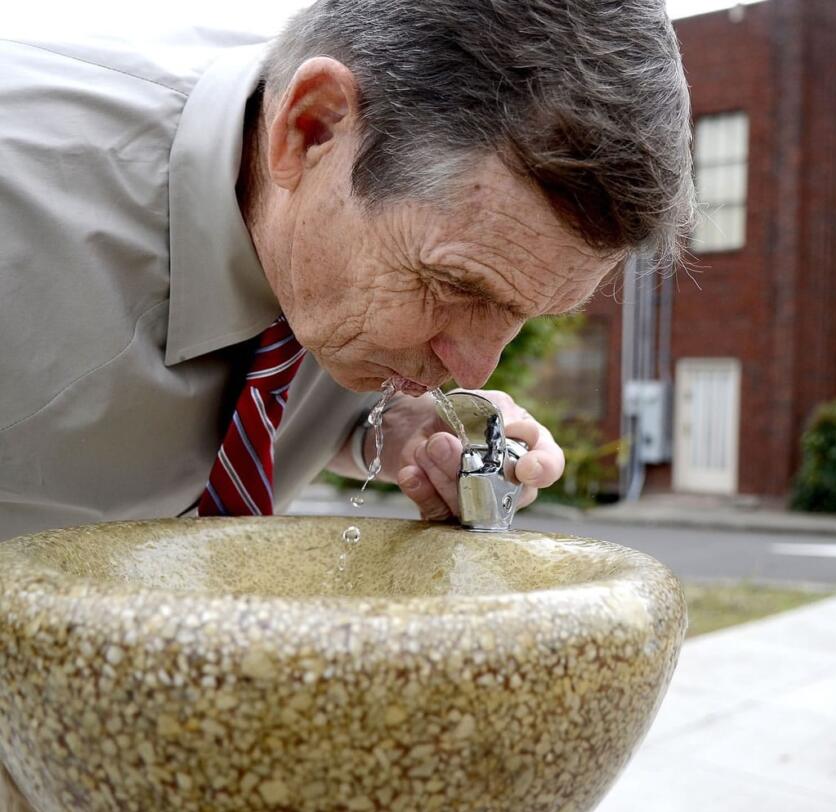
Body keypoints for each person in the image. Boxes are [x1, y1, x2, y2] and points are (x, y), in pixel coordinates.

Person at [0, 0, 694, 539]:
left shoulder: (343, 236)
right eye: (455, 287)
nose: (475, 371)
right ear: (312, 128)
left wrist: (386, 433)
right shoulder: (21, 196)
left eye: (521, 314)